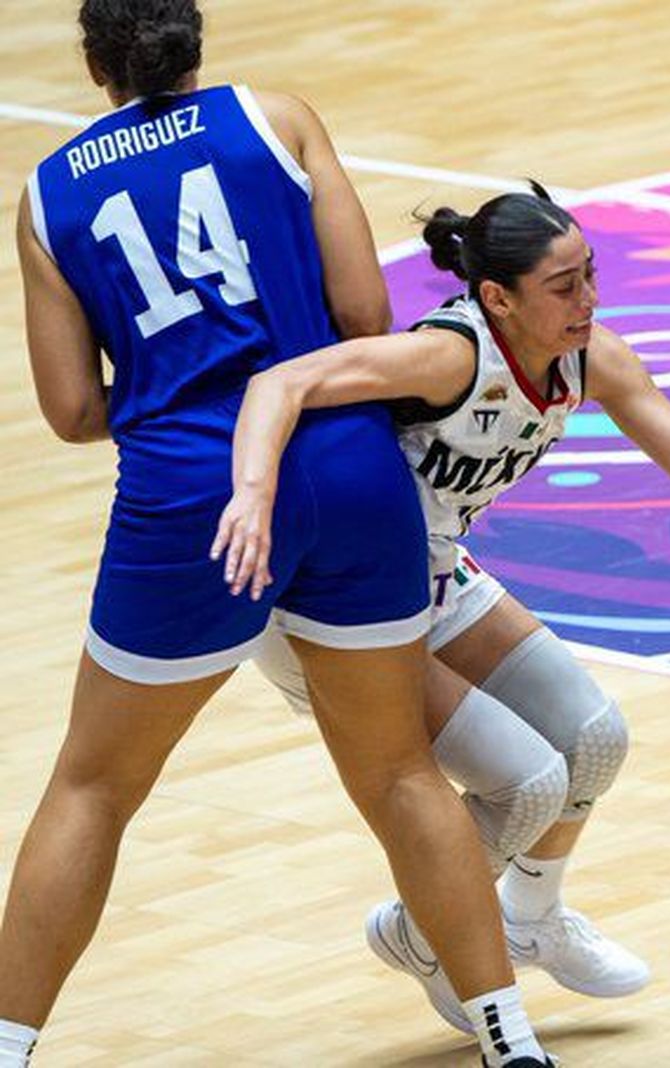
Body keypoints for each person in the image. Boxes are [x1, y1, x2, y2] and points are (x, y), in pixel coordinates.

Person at [212, 183, 670, 1032]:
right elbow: (280, 383)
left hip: (431, 574)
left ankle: (526, 919)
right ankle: (432, 934)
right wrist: (251, 494)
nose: (588, 299)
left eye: (590, 275)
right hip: (337, 605)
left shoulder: (590, 357)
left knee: (593, 738)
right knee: (528, 785)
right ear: (499, 298)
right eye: (563, 286)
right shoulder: (449, 358)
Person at [2, 3, 552, 1065]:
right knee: (400, 774)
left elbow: (69, 410)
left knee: (93, 786)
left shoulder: (47, 195)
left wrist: (172, 392)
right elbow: (364, 315)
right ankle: (509, 1035)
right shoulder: (280, 120)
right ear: (194, 40)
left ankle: (9, 1047)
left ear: (93, 62)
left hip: (188, 496)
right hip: (346, 469)